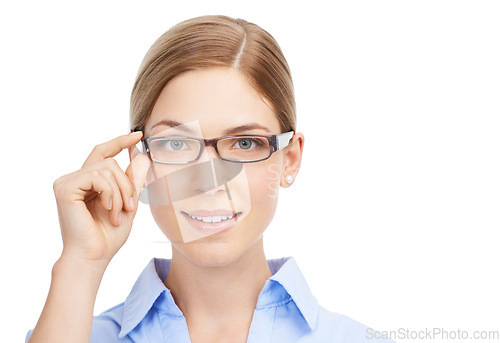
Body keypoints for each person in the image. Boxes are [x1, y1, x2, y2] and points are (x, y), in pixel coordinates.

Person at [25, 15, 394, 343]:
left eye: (245, 143)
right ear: (140, 159)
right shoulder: (69, 334)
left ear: (290, 159)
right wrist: (81, 262)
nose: (209, 181)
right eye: (176, 143)